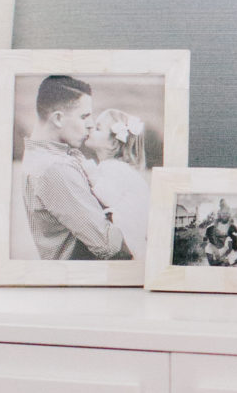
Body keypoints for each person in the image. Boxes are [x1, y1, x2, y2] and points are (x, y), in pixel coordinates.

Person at [19, 75, 125, 261]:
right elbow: (109, 246)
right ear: (58, 118)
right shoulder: (55, 168)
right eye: (84, 116)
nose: (91, 124)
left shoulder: (41, 156)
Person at [85, 109, 150, 265]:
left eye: (98, 128)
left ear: (113, 142)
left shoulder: (113, 167)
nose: (90, 129)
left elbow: (107, 197)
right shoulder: (119, 168)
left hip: (128, 243)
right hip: (133, 242)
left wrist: (90, 173)